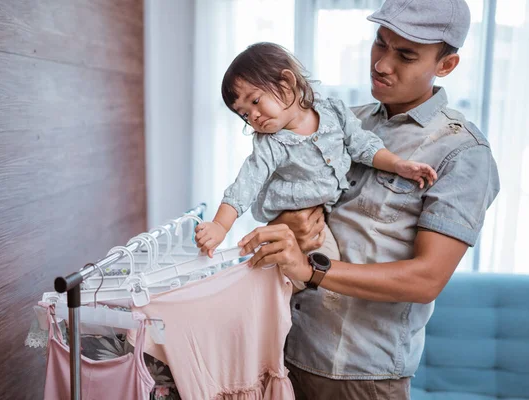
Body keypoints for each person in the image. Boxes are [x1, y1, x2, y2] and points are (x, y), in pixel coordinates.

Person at [236, 0, 501, 399]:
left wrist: (312, 270)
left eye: (405, 55)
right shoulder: (340, 121)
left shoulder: (462, 152)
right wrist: (284, 223)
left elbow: (426, 278)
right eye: (380, 43)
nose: (380, 64)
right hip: (283, 352)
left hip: (360, 377)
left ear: (445, 66)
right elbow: (273, 196)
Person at [194, 42, 437, 260]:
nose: (253, 116)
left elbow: (364, 145)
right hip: (293, 216)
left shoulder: (333, 111)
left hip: (324, 215)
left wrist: (398, 165)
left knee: (320, 267)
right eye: (244, 114)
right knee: (314, 266)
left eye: (255, 101)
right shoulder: (271, 143)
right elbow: (244, 186)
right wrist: (219, 226)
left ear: (287, 83)